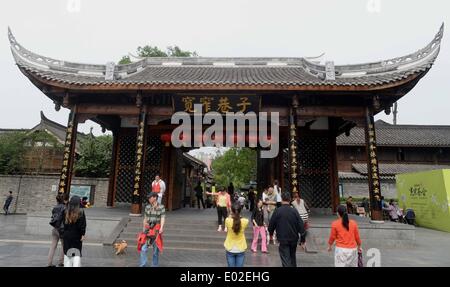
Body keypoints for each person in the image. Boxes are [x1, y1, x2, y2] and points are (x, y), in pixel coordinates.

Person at [268, 192, 306, 267]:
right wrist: (303, 240)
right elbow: (301, 226)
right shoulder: (294, 211)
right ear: (290, 200)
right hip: (293, 238)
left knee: (286, 259)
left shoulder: (278, 211)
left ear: (282, 199)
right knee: (292, 258)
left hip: (283, 239)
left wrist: (271, 235)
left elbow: (271, 225)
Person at [140, 192, 165, 267]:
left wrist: (161, 227)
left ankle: (154, 265)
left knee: (155, 251)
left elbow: (162, 218)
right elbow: (145, 219)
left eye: (150, 197)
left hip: (156, 230)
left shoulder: (161, 207)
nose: (149, 199)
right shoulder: (147, 207)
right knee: (143, 248)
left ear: (155, 198)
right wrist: (143, 229)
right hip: (148, 230)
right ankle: (142, 265)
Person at [62, 196, 86, 267]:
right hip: (77, 235)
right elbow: (82, 225)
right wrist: (83, 234)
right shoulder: (81, 211)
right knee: (76, 253)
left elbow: (63, 224)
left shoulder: (65, 211)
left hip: (67, 235)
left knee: (67, 253)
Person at [224, 202, 249, 267]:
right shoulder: (245, 221)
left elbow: (229, 218)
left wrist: (231, 214)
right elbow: (240, 219)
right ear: (240, 210)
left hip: (230, 248)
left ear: (232, 211)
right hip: (241, 248)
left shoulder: (227, 220)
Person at [47, 193, 66, 267]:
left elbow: (53, 217)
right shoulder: (65, 208)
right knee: (63, 246)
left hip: (55, 229)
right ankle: (61, 262)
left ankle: (49, 263)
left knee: (52, 246)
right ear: (63, 200)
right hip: (61, 229)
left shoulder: (55, 207)